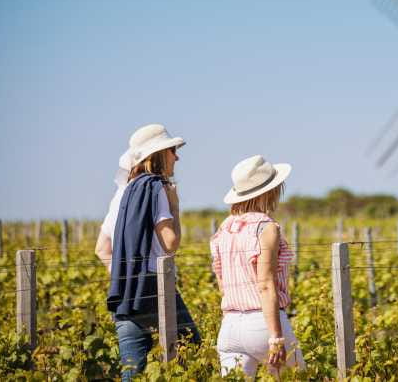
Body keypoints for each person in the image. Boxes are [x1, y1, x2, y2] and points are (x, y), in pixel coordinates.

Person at [95, 123, 200, 380]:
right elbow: (170, 243)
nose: (177, 156)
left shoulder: (122, 193)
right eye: (173, 150)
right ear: (159, 154)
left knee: (132, 373)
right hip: (155, 288)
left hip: (124, 294)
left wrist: (128, 275)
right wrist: (175, 207)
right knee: (193, 354)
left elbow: (101, 248)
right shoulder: (157, 188)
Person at [210, 154, 306, 378]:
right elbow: (265, 285)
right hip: (262, 323)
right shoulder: (266, 228)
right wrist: (276, 337)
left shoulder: (223, 228)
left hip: (230, 327)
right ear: (269, 191)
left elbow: (222, 284)